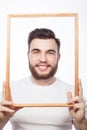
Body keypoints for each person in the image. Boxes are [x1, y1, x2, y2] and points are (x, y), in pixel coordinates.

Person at [0, 28, 87, 130]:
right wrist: (2, 119)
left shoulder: (73, 94)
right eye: (36, 52)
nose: (43, 59)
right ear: (28, 55)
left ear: (58, 57)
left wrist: (81, 121)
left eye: (50, 53)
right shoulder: (10, 91)